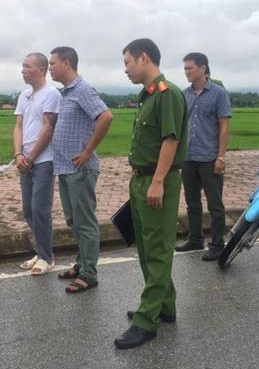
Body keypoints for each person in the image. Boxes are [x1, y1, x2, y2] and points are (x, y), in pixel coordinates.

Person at [114, 38, 187, 349]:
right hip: (141, 179)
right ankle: (164, 306)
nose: (125, 69)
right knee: (145, 246)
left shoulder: (166, 94)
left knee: (158, 251)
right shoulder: (147, 96)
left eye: (128, 62)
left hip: (159, 180)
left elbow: (170, 141)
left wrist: (157, 181)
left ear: (144, 58)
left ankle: (147, 321)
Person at [49, 46, 113, 293]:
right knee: (73, 220)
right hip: (65, 167)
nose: (50, 67)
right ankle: (81, 262)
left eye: (53, 63)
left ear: (66, 63)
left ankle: (89, 273)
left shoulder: (83, 90)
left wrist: (88, 151)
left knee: (85, 221)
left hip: (80, 169)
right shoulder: (65, 93)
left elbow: (105, 117)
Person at [175, 53, 232, 261]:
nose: (187, 72)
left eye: (190, 68)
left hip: (209, 157)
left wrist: (221, 157)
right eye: (185, 69)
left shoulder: (218, 94)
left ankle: (218, 244)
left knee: (215, 204)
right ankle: (195, 238)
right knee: (192, 202)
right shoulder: (184, 94)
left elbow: (224, 126)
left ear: (202, 68)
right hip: (189, 156)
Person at [14, 53, 62, 275]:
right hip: (25, 160)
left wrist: (31, 157)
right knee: (28, 210)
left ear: (41, 69)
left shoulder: (51, 94)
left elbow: (48, 128)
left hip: (43, 160)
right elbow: (19, 126)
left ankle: (46, 256)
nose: (22, 70)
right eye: (22, 66)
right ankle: (41, 249)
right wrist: (18, 154)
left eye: (27, 66)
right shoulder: (24, 95)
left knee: (40, 209)